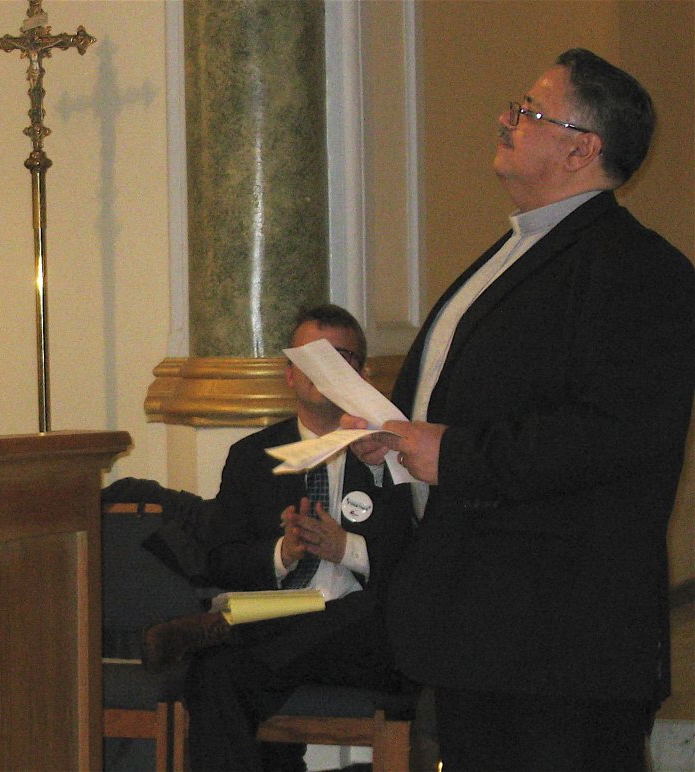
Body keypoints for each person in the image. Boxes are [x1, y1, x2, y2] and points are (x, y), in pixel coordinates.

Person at [346, 49, 694, 771]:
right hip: (479, 628)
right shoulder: (512, 252)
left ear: (581, 149)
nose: (507, 118)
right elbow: (463, 403)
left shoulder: (640, 269)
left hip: (563, 642)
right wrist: (395, 437)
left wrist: (453, 453)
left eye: (530, 110)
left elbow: (619, 434)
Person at [142, 304, 415, 771]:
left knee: (362, 609)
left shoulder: (393, 452)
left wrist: (345, 549)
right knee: (212, 675)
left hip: (363, 641)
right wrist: (282, 554)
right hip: (280, 626)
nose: (323, 369)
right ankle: (230, 630)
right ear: (290, 375)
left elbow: (416, 561)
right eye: (311, 357)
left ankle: (226, 626)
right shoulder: (253, 457)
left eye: (340, 357)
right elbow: (221, 559)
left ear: (362, 374)